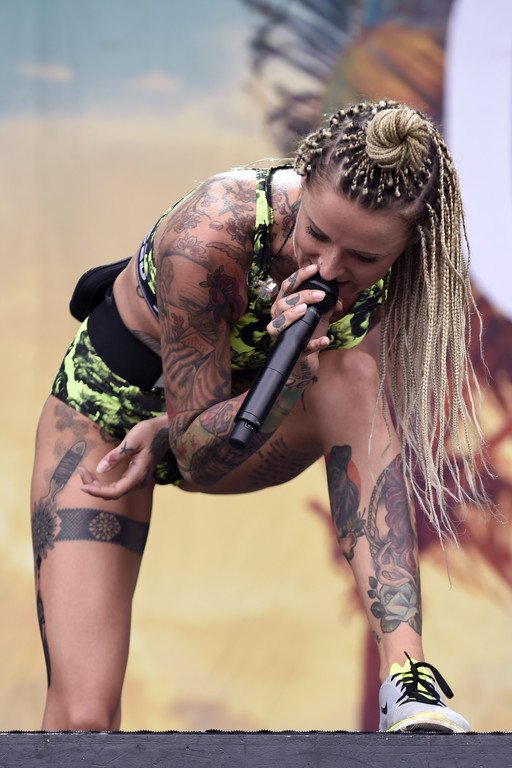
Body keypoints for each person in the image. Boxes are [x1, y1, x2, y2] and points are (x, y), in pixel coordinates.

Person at [30, 99, 489, 732]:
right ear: (303, 182)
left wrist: (290, 373)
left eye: (363, 258)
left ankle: (408, 680)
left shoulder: (409, 269)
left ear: (403, 247)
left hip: (245, 417)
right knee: (82, 717)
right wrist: (274, 378)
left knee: (353, 377)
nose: (331, 268)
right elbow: (197, 455)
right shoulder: (211, 235)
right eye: (318, 235)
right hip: (111, 422)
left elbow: (342, 419)